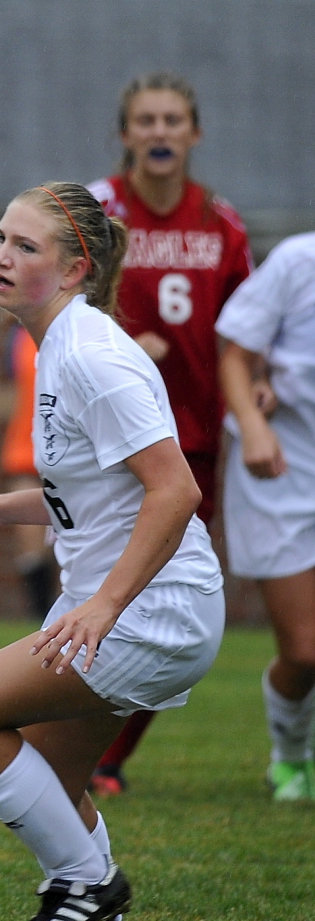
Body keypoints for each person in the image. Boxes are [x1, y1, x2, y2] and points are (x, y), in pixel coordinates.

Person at [0, 182, 224, 921]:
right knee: (49, 778)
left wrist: (104, 606)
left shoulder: (89, 356)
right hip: (122, 604)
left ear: (76, 268)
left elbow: (175, 490)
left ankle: (87, 888)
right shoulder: (58, 345)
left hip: (152, 610)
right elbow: (93, 494)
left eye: (23, 246)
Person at [85, 71, 252, 796]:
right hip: (114, 439)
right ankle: (73, 741)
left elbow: (246, 327)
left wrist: (258, 381)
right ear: (125, 134)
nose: (158, 132)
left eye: (171, 121)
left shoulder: (220, 223)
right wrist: (120, 344)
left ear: (193, 134)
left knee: (174, 599)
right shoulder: (96, 211)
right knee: (100, 585)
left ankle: (108, 755)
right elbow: (59, 299)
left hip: (195, 441)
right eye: (145, 121)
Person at [216, 234, 315, 801]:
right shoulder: (297, 262)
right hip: (280, 469)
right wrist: (252, 426)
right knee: (304, 650)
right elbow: (233, 350)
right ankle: (291, 756)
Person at [0, 321, 57, 619]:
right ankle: (43, 608)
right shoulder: (23, 334)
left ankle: (48, 606)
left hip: (45, 446)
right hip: (31, 446)